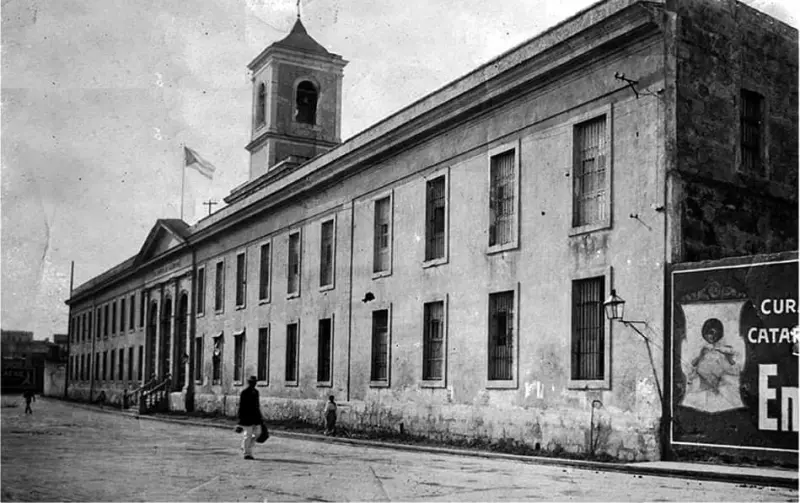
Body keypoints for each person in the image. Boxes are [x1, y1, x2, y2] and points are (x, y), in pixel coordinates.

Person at [237, 376, 262, 460]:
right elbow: (241, 406)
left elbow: (257, 405)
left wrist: (260, 417)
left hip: (255, 417)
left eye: (255, 382)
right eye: (252, 382)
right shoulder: (244, 392)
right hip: (246, 417)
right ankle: (247, 453)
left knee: (258, 433)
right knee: (248, 435)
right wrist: (240, 420)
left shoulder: (256, 392)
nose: (254, 384)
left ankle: (245, 446)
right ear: (249, 383)